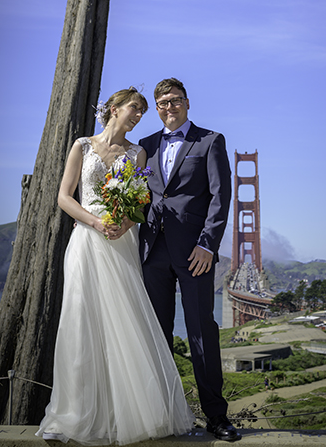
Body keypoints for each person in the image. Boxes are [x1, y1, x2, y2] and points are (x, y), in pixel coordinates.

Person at [36, 87, 195, 446]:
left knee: (126, 323)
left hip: (120, 243)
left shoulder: (138, 153)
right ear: (113, 109)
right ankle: (76, 413)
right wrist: (94, 223)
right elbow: (65, 195)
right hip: (86, 242)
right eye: (133, 109)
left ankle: (129, 413)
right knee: (81, 321)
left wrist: (123, 224)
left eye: (141, 111)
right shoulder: (82, 146)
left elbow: (140, 202)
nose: (138, 116)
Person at [139, 78, 241, 442]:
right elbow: (138, 195)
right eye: (163, 102)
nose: (170, 107)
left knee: (201, 333)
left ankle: (217, 417)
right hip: (152, 254)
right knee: (157, 336)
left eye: (176, 100)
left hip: (195, 254)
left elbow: (220, 197)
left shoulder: (211, 141)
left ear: (187, 103)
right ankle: (164, 415)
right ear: (157, 107)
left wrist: (207, 245)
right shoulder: (145, 146)